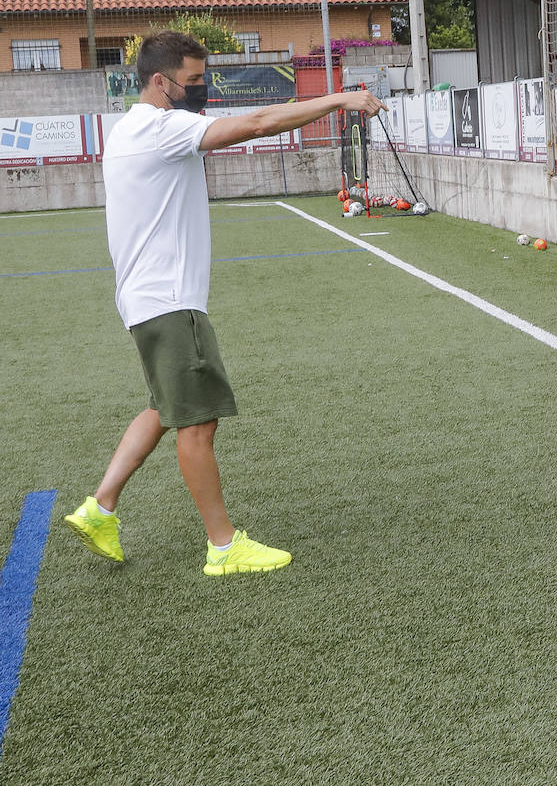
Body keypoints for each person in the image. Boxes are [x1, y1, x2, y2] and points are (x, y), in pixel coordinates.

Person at [63, 29, 385, 576]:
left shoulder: (129, 128)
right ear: (160, 82)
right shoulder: (160, 128)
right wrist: (340, 99)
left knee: (167, 409)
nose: (201, 90)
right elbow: (258, 123)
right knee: (199, 422)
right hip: (169, 301)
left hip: (148, 301)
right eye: (192, 82)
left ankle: (100, 507)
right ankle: (223, 545)